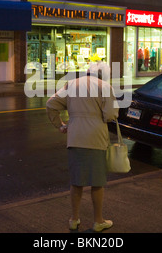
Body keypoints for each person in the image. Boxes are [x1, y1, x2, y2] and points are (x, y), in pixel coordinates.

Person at [46, 62, 119, 232]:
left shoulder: (71, 84)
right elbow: (111, 115)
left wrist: (60, 125)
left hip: (75, 136)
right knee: (97, 182)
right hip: (96, 137)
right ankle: (98, 221)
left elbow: (51, 104)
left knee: (76, 182)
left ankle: (74, 219)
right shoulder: (105, 87)